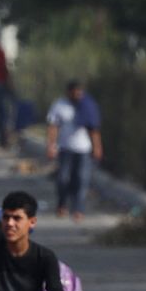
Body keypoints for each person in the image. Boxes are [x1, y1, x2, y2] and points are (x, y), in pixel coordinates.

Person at [46, 80, 103, 220]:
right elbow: (53, 126)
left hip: (83, 149)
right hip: (65, 148)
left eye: (80, 92)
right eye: (75, 92)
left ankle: (78, 209)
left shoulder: (88, 106)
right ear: (68, 92)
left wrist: (97, 147)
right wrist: (51, 145)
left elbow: (94, 128)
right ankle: (62, 205)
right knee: (63, 179)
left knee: (81, 179)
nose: (77, 94)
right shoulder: (60, 105)